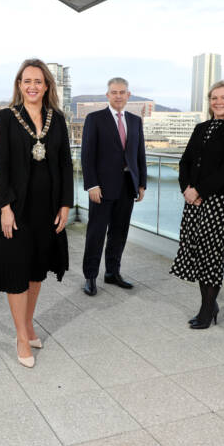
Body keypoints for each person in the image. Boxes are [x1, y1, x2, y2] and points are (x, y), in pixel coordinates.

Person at [0, 59, 73, 368]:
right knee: (17, 272)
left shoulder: (58, 119)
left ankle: (29, 324)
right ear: (19, 85)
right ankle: (21, 337)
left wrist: (65, 205)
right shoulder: (7, 118)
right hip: (17, 208)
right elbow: (1, 164)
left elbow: (65, 164)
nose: (32, 86)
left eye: (38, 81)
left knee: (37, 270)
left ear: (47, 85)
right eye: (27, 81)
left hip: (47, 207)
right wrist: (5, 207)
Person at [170, 80, 224, 329]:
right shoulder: (200, 127)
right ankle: (209, 303)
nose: (218, 102)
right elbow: (185, 161)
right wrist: (187, 189)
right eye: (214, 98)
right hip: (193, 199)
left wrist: (200, 190)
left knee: (211, 254)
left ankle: (207, 309)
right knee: (196, 250)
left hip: (218, 200)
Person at [80, 77, 146, 296]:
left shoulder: (136, 121)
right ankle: (90, 276)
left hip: (128, 187)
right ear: (107, 95)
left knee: (119, 232)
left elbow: (140, 154)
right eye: (114, 92)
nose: (118, 96)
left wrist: (142, 183)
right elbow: (87, 156)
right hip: (102, 188)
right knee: (96, 233)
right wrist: (92, 185)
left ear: (129, 95)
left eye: (122, 92)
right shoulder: (95, 119)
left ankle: (112, 273)